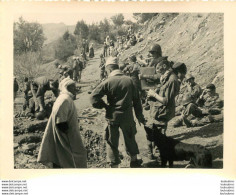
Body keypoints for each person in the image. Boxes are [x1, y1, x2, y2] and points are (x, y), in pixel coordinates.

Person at [90, 57, 146, 168]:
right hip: (127, 116)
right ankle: (134, 161)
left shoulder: (107, 82)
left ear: (109, 69)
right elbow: (137, 100)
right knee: (130, 137)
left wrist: (104, 106)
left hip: (112, 116)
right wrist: (139, 116)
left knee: (112, 141)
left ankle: (114, 165)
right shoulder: (129, 80)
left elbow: (93, 98)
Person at [37, 78, 87, 168]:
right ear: (66, 88)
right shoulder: (64, 100)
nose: (75, 89)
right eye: (72, 87)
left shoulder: (65, 98)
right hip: (65, 136)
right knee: (74, 156)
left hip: (67, 134)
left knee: (62, 156)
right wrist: (68, 137)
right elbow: (60, 122)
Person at [144, 57, 180, 159]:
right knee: (152, 132)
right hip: (158, 110)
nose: (157, 70)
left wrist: (154, 94)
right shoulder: (166, 77)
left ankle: (160, 156)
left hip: (163, 112)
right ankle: (153, 153)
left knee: (158, 134)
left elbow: (166, 100)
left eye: (158, 68)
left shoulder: (172, 79)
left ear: (164, 66)